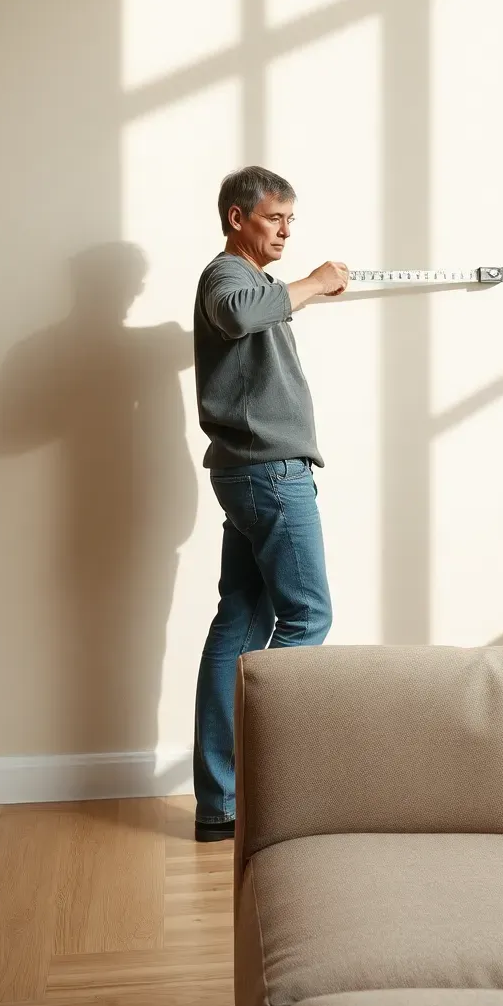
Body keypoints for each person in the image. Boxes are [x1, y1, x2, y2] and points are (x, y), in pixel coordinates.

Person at [191, 165, 349, 841]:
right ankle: (275, 789)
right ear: (237, 219)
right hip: (268, 476)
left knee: (242, 620)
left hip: (252, 475)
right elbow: (233, 314)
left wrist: (298, 290)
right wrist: (310, 285)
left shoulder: (256, 283)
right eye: (274, 219)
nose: (286, 231)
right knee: (308, 616)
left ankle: (220, 803)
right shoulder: (227, 277)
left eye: (291, 220)